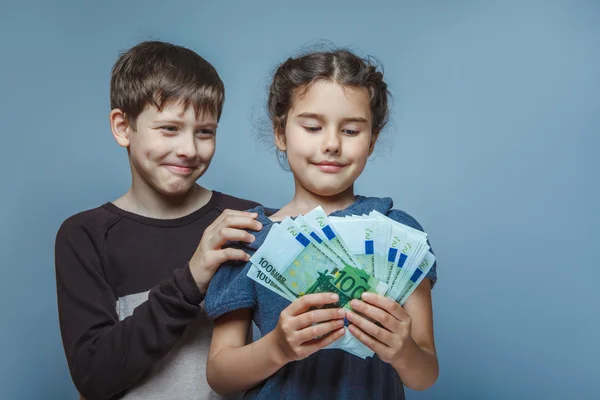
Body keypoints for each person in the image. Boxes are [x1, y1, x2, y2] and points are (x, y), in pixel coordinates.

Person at [204, 48, 439, 400]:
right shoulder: (249, 239)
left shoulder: (398, 234)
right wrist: (278, 348)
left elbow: (425, 374)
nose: (331, 144)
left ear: (372, 141)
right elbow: (220, 375)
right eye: (313, 127)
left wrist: (403, 350)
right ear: (280, 134)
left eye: (350, 130)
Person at [55, 40, 261, 400]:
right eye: (169, 128)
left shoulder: (246, 222)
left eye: (205, 131)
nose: (188, 149)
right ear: (122, 127)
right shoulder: (85, 236)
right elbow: (92, 376)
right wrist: (191, 280)